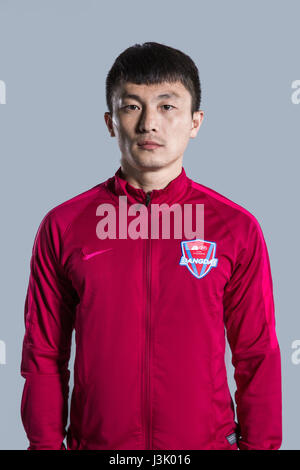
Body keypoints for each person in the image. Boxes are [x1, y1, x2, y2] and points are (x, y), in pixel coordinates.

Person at [20, 41, 282, 450]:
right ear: (110, 122)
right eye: (132, 107)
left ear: (195, 121)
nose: (149, 124)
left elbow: (257, 353)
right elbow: (44, 353)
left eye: (167, 106)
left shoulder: (236, 228)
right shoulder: (64, 225)